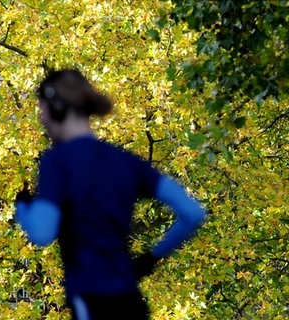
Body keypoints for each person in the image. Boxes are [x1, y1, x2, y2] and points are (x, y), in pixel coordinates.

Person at [15, 69, 206, 319]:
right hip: (131, 303)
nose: (42, 120)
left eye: (43, 111)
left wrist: (23, 208)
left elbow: (42, 233)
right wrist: (149, 260)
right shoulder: (126, 162)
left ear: (59, 108)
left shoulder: (58, 162)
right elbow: (193, 213)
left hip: (91, 304)